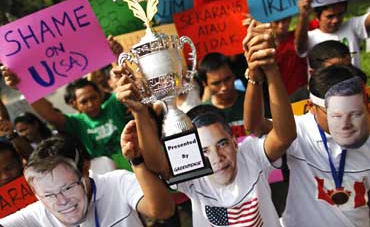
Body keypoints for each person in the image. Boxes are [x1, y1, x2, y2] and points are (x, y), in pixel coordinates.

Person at [116, 20, 296, 226]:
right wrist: (139, 111)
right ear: (191, 152)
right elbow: (159, 166)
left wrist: (271, 70)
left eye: (222, 143)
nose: (217, 157)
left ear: (235, 141)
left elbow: (284, 136)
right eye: (204, 150)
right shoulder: (193, 174)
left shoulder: (250, 155)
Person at [244, 63, 370, 226]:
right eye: (336, 114)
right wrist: (255, 80)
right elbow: (255, 126)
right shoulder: (297, 129)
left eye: (354, 112)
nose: (346, 123)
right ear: (311, 107)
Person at [0, 136, 175, 226]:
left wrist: (137, 162)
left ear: (85, 167)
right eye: (49, 194)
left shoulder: (116, 182)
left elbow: (163, 210)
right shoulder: (37, 213)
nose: (61, 200)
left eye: (68, 187)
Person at [2, 72, 132, 171]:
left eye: (94, 97)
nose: (91, 104)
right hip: (105, 171)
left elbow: (127, 87)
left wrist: (118, 55)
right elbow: (49, 114)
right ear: (74, 104)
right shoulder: (76, 122)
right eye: (84, 101)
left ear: (101, 95)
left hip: (134, 160)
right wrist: (23, 86)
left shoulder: (114, 105)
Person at [295, 0, 370, 67]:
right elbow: (300, 45)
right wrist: (303, 16)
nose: (335, 20)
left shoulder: (352, 27)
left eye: (340, 14)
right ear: (317, 17)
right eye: (330, 16)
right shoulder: (311, 37)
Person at [198, 52, 246, 138]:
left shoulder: (252, 101)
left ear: (234, 75)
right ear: (205, 84)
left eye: (227, 79)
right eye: (216, 83)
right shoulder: (204, 114)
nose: (224, 87)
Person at [270, 16, 308, 102]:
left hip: (304, 90)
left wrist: (303, 15)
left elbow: (300, 43)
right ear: (270, 23)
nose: (281, 25)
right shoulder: (267, 44)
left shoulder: (298, 36)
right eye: (276, 22)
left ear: (290, 20)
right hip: (283, 95)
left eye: (284, 21)